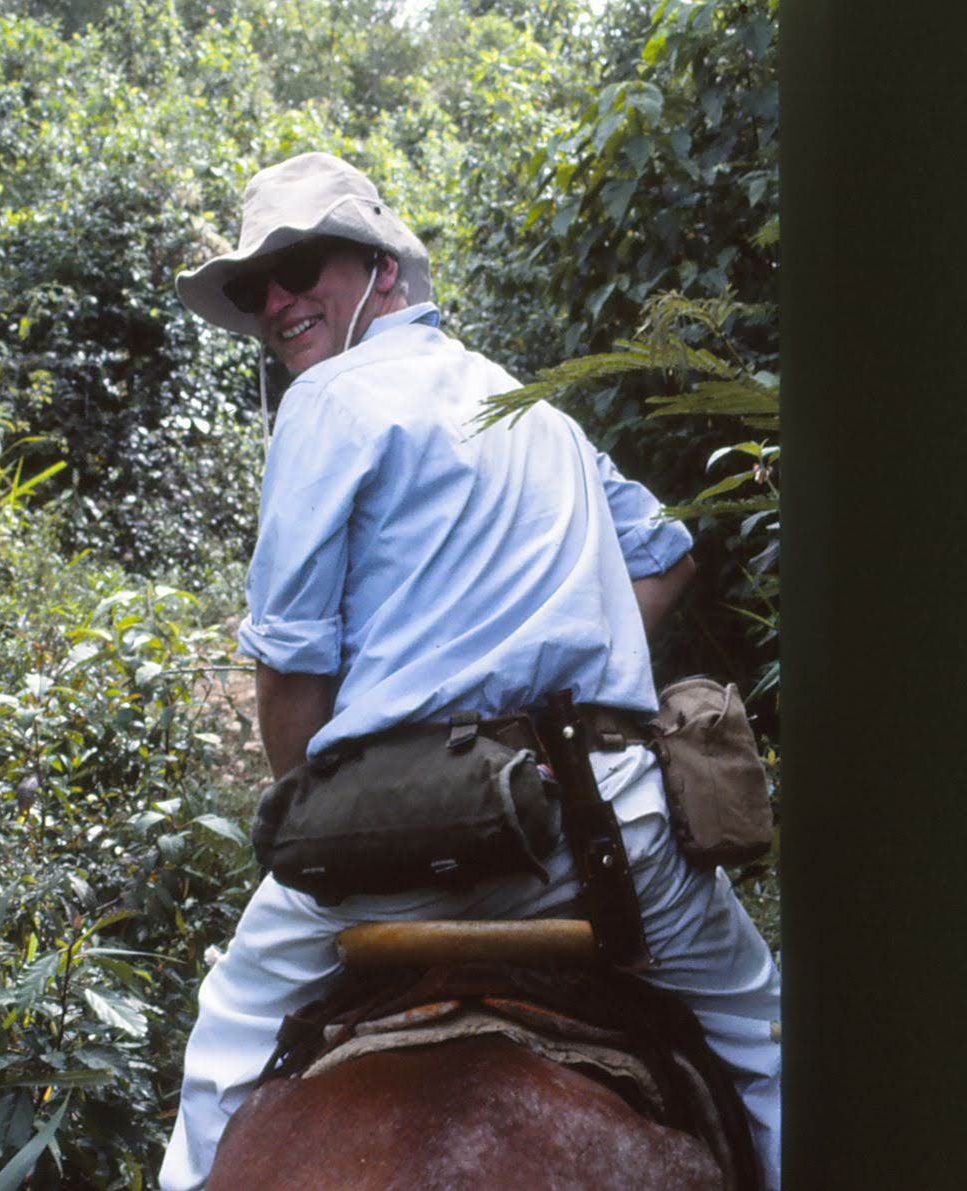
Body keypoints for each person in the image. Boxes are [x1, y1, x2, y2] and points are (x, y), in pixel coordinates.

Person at [158, 152, 782, 1189]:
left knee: (219, 1053)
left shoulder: (323, 404)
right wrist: (576, 656)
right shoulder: (536, 407)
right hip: (605, 843)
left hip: (388, 862)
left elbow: (290, 675)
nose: (275, 300)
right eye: (252, 287)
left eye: (302, 266)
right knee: (768, 1038)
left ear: (383, 274)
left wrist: (317, 821)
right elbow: (667, 552)